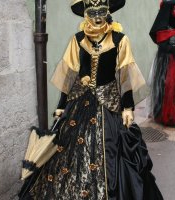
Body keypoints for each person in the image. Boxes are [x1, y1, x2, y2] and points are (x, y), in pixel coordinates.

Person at [19, 0, 163, 199]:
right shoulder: (78, 39)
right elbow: (69, 74)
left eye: (102, 11)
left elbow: (125, 74)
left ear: (108, 11)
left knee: (112, 150)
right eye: (92, 11)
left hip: (108, 103)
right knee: (67, 153)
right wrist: (61, 105)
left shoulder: (120, 39)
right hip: (79, 102)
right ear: (86, 13)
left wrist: (128, 107)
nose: (97, 17)